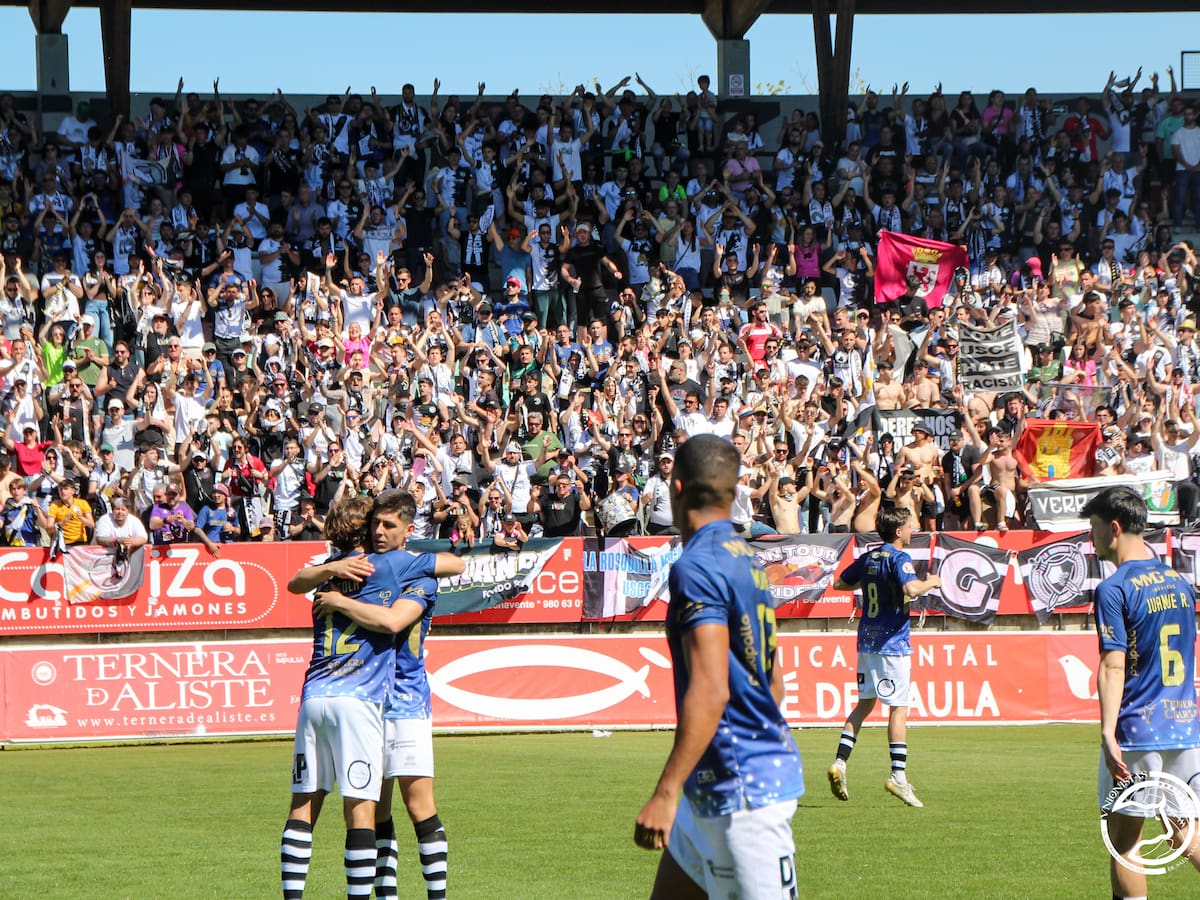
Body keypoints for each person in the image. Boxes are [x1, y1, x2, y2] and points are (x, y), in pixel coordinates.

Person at [634, 434, 803, 899]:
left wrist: (666, 791)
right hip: (715, 784)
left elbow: (711, 688)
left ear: (676, 486)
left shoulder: (697, 566)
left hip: (741, 793)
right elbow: (774, 681)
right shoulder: (748, 558)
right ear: (734, 493)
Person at [289, 490, 466, 900]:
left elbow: (395, 619)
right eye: (375, 525)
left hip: (405, 699)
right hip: (368, 700)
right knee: (376, 809)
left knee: (419, 805)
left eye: (389, 525)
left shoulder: (416, 573)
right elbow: (299, 582)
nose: (379, 532)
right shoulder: (364, 568)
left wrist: (337, 600)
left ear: (408, 530)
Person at [1084, 486, 1200, 896]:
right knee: (1184, 832)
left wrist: (1107, 733)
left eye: (1094, 527)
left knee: (1124, 842)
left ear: (1114, 528)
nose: (1092, 537)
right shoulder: (1179, 583)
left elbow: (1114, 664)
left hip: (1137, 733)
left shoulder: (1114, 588)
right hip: (1184, 728)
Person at [827, 505, 941, 808]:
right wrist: (932, 582)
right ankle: (898, 777)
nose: (913, 529)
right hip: (892, 645)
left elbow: (839, 583)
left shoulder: (869, 557)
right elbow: (912, 588)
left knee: (864, 704)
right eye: (910, 525)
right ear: (899, 531)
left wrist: (871, 582)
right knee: (898, 709)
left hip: (866, 642)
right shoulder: (899, 558)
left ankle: (840, 762)